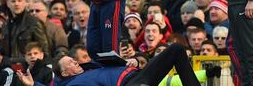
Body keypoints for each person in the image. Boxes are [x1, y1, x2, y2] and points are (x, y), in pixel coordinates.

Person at [17, 43, 200, 86]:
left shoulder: (91, 66)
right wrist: (34, 85)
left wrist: (133, 61)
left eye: (73, 59)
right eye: (70, 63)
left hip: (136, 74)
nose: (75, 61)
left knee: (176, 49)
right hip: (129, 85)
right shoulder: (73, 84)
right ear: (64, 74)